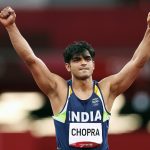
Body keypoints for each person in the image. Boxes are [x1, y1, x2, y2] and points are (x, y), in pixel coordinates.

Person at [0, 6, 150, 150]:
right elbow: (30, 60)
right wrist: (11, 27)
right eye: (77, 60)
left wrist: (149, 30)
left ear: (93, 65)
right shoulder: (60, 91)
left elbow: (137, 62)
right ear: (68, 66)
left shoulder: (106, 90)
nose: (83, 63)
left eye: (87, 59)